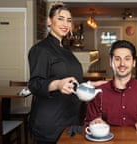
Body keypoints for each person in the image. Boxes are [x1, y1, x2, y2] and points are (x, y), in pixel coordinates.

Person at [28, 3, 106, 143]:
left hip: (71, 119)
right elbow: (34, 84)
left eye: (69, 20)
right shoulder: (41, 49)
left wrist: (87, 84)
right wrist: (57, 84)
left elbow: (71, 81)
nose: (66, 24)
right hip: (50, 123)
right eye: (61, 18)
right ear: (49, 21)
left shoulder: (66, 50)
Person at [86, 40, 137, 131]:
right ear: (111, 62)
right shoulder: (98, 92)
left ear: (134, 63)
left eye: (127, 59)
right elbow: (88, 123)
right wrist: (93, 123)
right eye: (117, 59)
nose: (122, 64)